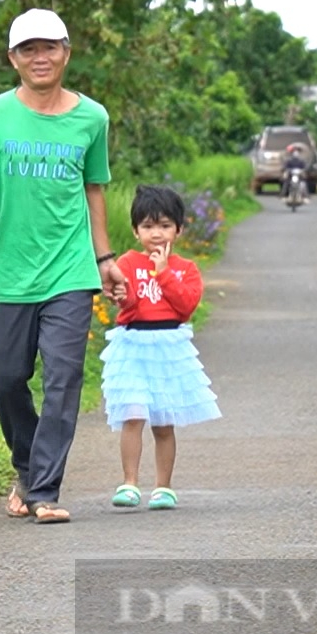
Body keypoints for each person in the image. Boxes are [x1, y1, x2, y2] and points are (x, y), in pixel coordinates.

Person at [0, 8, 127, 525]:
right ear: (13, 59)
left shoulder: (91, 118)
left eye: (49, 47)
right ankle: (29, 468)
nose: (40, 57)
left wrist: (105, 258)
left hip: (70, 273)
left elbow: (93, 190)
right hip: (9, 274)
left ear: (66, 53)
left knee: (63, 378)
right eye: (28, 49)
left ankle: (44, 491)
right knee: (6, 378)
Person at [99, 184, 221, 510]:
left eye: (165, 226)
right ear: (136, 230)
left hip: (168, 348)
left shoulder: (186, 269)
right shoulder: (126, 263)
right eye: (148, 226)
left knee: (163, 421)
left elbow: (185, 306)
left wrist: (164, 273)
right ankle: (129, 482)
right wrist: (122, 294)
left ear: (179, 229)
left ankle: (163, 487)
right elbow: (129, 304)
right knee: (133, 414)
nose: (157, 234)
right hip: (134, 345)